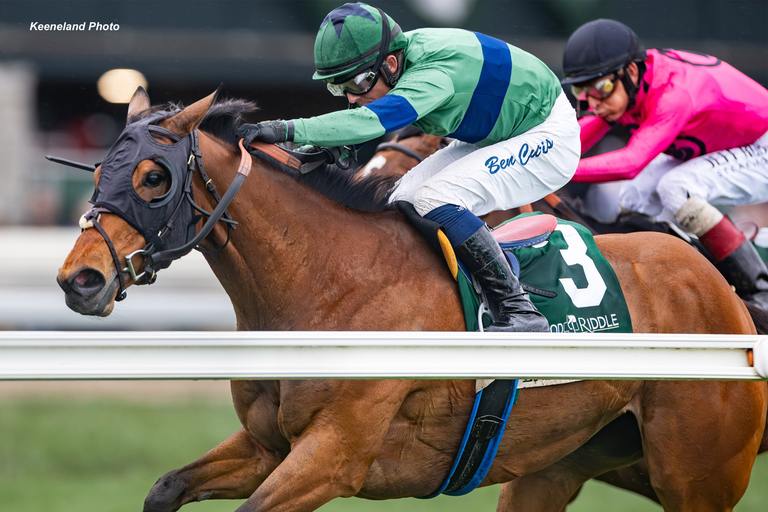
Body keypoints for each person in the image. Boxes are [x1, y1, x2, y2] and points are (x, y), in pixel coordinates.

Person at [238, 2, 580, 332]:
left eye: (357, 84)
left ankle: (519, 310)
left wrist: (286, 129)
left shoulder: (432, 76)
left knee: (436, 197)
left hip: (546, 134)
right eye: (339, 87)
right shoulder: (401, 59)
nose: (351, 98)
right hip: (499, 132)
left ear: (390, 63)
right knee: (402, 198)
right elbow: (368, 116)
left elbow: (372, 120)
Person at [561, 18, 768, 311]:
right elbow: (573, 143)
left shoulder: (673, 92)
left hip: (761, 145)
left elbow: (631, 163)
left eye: (601, 88)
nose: (593, 103)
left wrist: (559, 171)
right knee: (634, 195)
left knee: (676, 187)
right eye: (582, 92)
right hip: (727, 144)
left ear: (631, 72)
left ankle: (759, 289)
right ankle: (672, 274)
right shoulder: (627, 86)